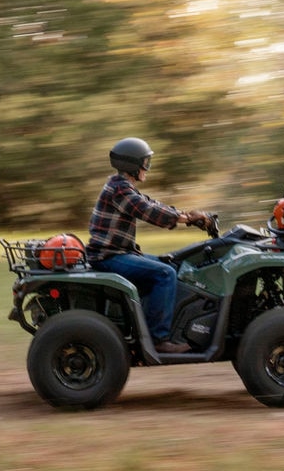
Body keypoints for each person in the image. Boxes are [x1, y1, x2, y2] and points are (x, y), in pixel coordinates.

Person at [85, 137, 208, 354]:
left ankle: (153, 321)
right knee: (165, 274)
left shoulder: (121, 185)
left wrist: (186, 215)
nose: (147, 168)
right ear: (132, 164)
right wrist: (187, 219)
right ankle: (157, 339)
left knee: (172, 263)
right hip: (108, 257)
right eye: (145, 162)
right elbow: (148, 211)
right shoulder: (120, 190)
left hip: (115, 253)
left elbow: (151, 203)